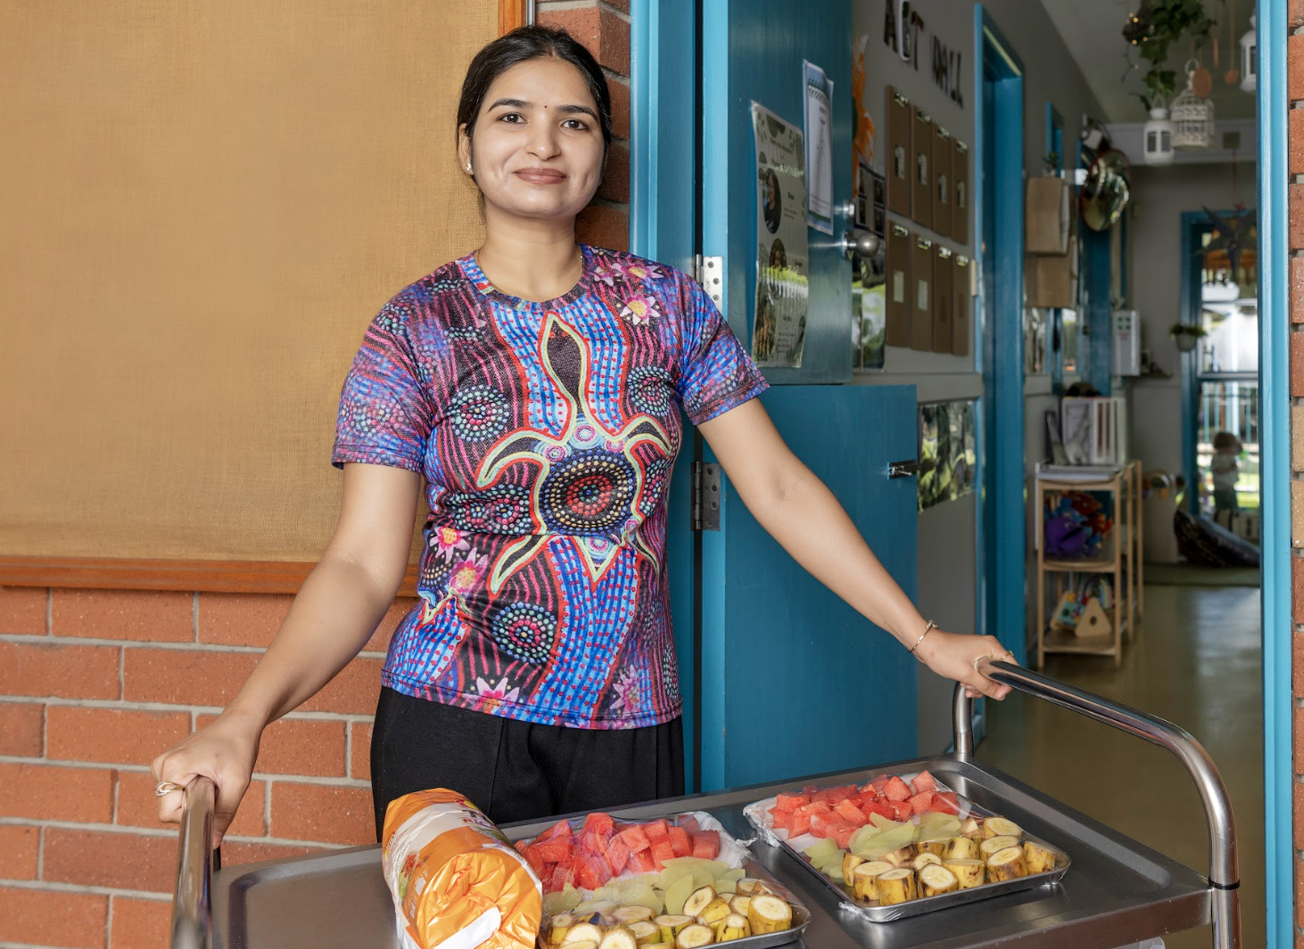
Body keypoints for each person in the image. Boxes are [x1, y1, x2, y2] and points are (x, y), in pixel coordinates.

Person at [151, 26, 1012, 843]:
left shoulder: (666, 309)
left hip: (631, 723)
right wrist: (243, 719)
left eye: (575, 122)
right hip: (452, 718)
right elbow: (361, 563)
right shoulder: (411, 330)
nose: (544, 144)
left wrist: (924, 638)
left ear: (601, 152)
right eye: (512, 117)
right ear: (466, 146)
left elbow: (778, 486)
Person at [1210, 431, 1242, 515]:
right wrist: (1229, 468)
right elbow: (1218, 470)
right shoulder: (1217, 458)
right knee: (1222, 512)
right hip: (1221, 489)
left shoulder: (1230, 456)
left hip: (1229, 488)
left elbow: (1239, 450)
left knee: (1233, 511)